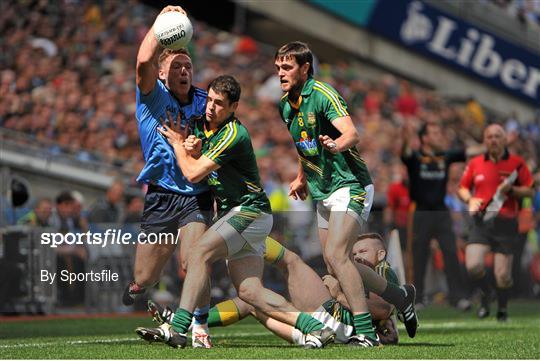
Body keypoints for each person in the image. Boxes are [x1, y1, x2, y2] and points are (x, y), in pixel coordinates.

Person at [139, 75, 335, 349]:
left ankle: (179, 328)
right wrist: (189, 147)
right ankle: (315, 326)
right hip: (240, 216)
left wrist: (178, 146)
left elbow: (194, 174)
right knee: (249, 291)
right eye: (209, 100)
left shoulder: (234, 133)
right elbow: (194, 155)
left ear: (233, 107)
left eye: (219, 103)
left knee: (199, 252)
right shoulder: (202, 125)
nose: (210, 107)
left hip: (249, 212)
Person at [274, 41, 417, 344]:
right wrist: (301, 177)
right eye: (278, 68)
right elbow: (304, 145)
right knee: (335, 264)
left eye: (287, 67)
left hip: (350, 183)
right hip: (322, 188)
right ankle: (400, 297)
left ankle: (365, 332)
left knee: (337, 256)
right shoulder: (286, 104)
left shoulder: (324, 94)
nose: (280, 73)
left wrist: (337, 145)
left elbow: (352, 133)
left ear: (305, 68)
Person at [126, 5, 214, 348]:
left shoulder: (207, 100)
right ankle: (138, 288)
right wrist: (161, 25)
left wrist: (200, 145)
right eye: (175, 66)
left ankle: (199, 326)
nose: (183, 71)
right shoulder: (151, 97)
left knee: (195, 260)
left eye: (188, 66)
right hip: (161, 193)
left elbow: (226, 135)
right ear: (162, 74)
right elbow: (142, 63)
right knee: (145, 276)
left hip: (196, 192)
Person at [141, 234, 404, 346]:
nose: (357, 256)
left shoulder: (383, 272)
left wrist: (337, 293)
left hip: (337, 324)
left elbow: (383, 309)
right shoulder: (358, 270)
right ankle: (180, 322)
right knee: (250, 299)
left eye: (363, 251)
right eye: (355, 251)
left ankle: (238, 236)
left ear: (380, 254)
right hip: (330, 318)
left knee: (288, 263)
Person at [458, 124, 534, 321]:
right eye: (489, 136)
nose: (493, 140)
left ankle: (502, 309)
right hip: (481, 222)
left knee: (503, 276)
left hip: (506, 224)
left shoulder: (517, 164)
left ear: (504, 140)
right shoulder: (475, 163)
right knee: (473, 265)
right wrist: (470, 199)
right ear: (485, 140)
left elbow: (530, 190)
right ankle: (486, 293)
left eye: (497, 136)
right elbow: (463, 188)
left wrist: (513, 191)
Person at [401, 121, 476, 309]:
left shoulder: (445, 157)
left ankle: (458, 297)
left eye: (439, 132)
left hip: (441, 211)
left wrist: (490, 144)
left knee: (451, 252)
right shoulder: (416, 157)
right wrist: (406, 137)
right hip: (421, 211)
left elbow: (470, 152)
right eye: (434, 133)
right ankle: (417, 299)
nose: (439, 136)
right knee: (419, 256)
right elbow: (405, 153)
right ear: (424, 138)